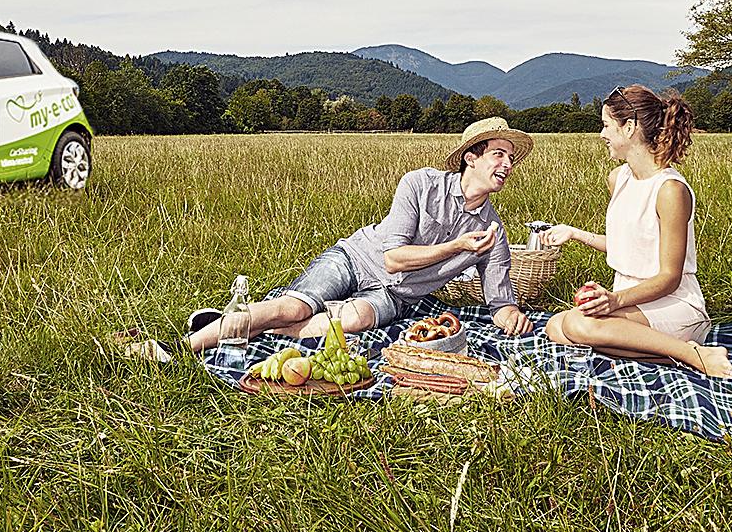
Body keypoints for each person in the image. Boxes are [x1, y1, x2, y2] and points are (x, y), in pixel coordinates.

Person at [131, 117, 536, 362]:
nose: (507, 164)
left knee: (354, 320)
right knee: (293, 307)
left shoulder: (492, 232)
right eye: (498, 154)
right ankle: (178, 349)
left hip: (395, 296)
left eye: (511, 158)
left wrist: (510, 316)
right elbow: (393, 258)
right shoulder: (419, 183)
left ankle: (242, 325)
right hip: (356, 259)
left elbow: (499, 299)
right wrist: (457, 247)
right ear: (471, 157)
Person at [540, 85, 732, 379]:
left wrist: (615, 300)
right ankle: (668, 352)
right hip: (631, 302)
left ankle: (694, 353)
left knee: (577, 326)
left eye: (607, 125)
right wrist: (575, 233)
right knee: (555, 327)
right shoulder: (618, 178)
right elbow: (631, 247)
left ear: (630, 127)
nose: (602, 134)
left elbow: (669, 277)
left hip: (671, 304)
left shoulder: (670, 190)